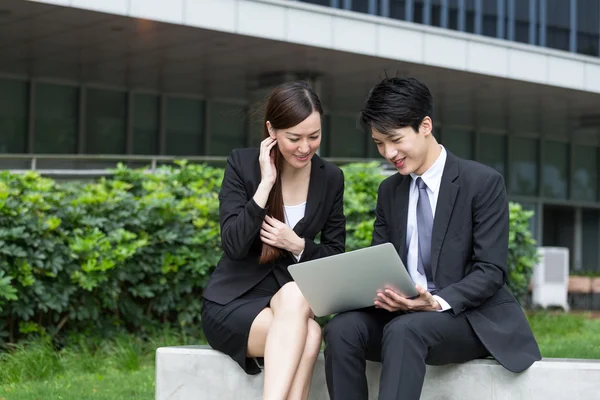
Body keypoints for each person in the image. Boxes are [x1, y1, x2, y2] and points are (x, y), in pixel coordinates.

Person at [323, 76, 541, 400]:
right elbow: (380, 260)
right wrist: (378, 292)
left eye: (395, 139)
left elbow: (490, 272)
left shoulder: (481, 183)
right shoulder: (390, 191)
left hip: (466, 317)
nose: (389, 152)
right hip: (404, 315)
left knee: (404, 330)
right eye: (379, 143)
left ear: (425, 125)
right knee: (341, 329)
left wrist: (435, 302)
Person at [201, 81, 346, 400]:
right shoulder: (242, 164)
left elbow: (336, 256)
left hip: (288, 303)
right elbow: (234, 245)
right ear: (272, 130)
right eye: (294, 138)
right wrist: (265, 185)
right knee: (309, 333)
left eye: (314, 136)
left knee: (306, 320)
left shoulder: (331, 178)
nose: (305, 147)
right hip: (233, 303)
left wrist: (297, 245)